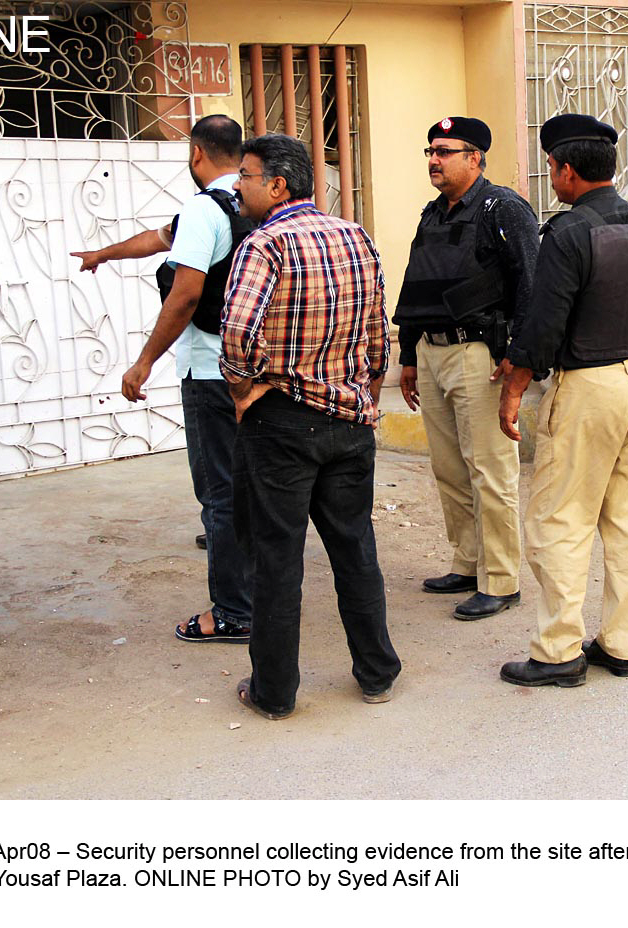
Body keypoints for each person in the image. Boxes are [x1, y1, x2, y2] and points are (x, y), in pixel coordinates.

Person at [497, 114, 628, 687]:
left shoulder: (569, 233)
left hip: (590, 387)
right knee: (627, 521)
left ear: (567, 170)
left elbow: (544, 326)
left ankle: (557, 653)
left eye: (552, 167)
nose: (552, 178)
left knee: (561, 518)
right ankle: (622, 645)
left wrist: (514, 388)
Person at [223, 134, 400, 720]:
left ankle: (274, 692)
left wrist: (245, 389)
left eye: (245, 175)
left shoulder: (264, 245)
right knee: (356, 548)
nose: (237, 185)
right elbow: (377, 335)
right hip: (350, 418)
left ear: (277, 185)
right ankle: (377, 673)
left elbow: (236, 338)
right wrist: (364, 396)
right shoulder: (356, 237)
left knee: (278, 560)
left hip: (283, 420)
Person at [71, 115, 256, 644]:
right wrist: (104, 254)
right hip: (259, 369)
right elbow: (156, 239)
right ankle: (266, 590)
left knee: (220, 494)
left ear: (197, 153)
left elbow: (186, 295)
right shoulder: (256, 204)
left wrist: (144, 360)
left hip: (211, 373)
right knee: (255, 486)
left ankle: (234, 612)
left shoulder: (206, 209)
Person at [393, 116, 540, 621]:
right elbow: (417, 285)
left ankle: (501, 579)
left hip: (480, 355)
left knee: (490, 469)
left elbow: (530, 285)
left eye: (446, 151)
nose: (434, 160)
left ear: (475, 157)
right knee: (450, 468)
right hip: (432, 353)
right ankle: (468, 562)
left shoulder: (504, 209)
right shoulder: (433, 214)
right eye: (430, 150)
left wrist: (517, 356)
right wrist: (409, 354)